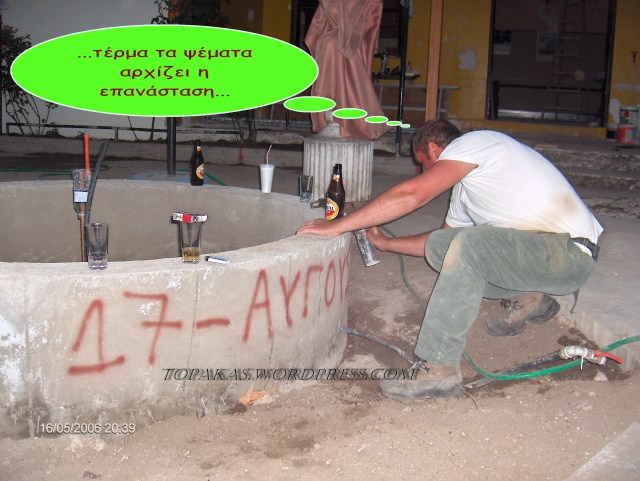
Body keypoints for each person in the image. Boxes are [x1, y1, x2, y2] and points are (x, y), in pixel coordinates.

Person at [296, 119, 603, 401]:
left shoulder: (476, 143)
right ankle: (531, 297)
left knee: (470, 245)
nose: (423, 171)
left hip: (569, 253)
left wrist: (337, 226)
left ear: (434, 149)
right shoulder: (465, 192)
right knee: (445, 245)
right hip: (540, 259)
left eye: (423, 163)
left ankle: (438, 369)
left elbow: (413, 194)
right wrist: (387, 244)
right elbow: (441, 244)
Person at [305, 0, 390, 140]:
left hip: (331, 43)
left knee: (336, 85)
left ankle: (338, 121)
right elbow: (371, 31)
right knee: (352, 86)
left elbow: (315, 29)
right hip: (351, 46)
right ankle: (349, 123)